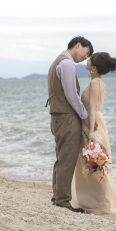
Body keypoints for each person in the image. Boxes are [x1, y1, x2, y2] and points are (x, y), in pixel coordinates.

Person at [71, 51, 116, 214]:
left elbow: (92, 109)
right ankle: (96, 201)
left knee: (96, 165)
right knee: (96, 165)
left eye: (90, 60)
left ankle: (101, 204)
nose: (87, 60)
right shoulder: (97, 81)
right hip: (95, 123)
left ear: (93, 68)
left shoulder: (95, 82)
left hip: (93, 126)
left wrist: (92, 132)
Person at [47, 35, 93, 212]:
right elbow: (71, 94)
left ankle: (58, 198)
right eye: (86, 52)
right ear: (78, 45)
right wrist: (84, 115)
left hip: (58, 116)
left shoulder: (57, 62)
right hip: (66, 117)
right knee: (67, 158)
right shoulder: (67, 63)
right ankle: (63, 200)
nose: (85, 57)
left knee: (61, 158)